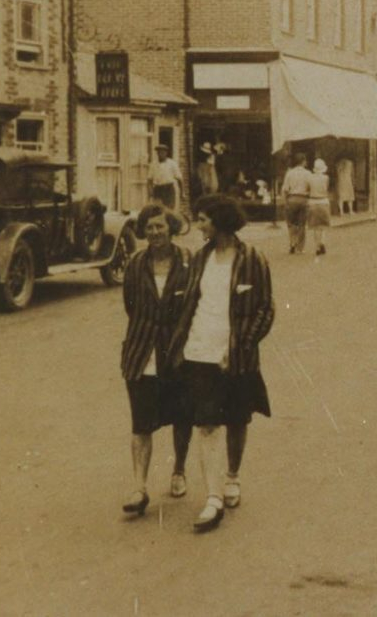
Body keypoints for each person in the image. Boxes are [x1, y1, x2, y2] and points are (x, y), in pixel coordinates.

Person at [168, 195, 274, 532]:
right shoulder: (200, 258)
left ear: (220, 222)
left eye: (203, 220)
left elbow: (265, 309)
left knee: (238, 419)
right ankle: (213, 497)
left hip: (235, 354)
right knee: (206, 423)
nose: (199, 226)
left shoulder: (252, 259)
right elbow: (189, 303)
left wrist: (240, 344)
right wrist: (181, 342)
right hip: (199, 349)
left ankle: (232, 476)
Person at [120, 203, 192, 516]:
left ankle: (178, 469)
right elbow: (131, 305)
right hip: (142, 351)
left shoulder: (187, 262)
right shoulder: (136, 264)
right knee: (141, 421)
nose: (154, 233)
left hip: (177, 351)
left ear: (171, 229)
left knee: (182, 415)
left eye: (160, 227)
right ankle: (139, 487)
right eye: (149, 228)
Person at [280, 154, 312, 254]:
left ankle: (292, 243)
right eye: (305, 161)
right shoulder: (308, 173)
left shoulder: (289, 173)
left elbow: (285, 188)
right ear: (303, 161)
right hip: (303, 199)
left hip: (292, 198)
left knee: (291, 224)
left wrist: (284, 201)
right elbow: (311, 187)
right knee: (302, 224)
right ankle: (300, 248)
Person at [148, 144, 183, 212]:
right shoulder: (153, 164)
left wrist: (182, 192)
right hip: (158, 189)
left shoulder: (172, 164)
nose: (160, 154)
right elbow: (149, 180)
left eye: (162, 152)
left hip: (168, 189)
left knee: (169, 209)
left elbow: (179, 179)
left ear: (166, 153)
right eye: (158, 152)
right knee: (157, 209)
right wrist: (151, 192)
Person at [308, 158, 332, 255]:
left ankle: (317, 246)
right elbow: (326, 188)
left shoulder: (310, 178)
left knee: (315, 227)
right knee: (323, 226)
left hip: (313, 202)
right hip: (323, 201)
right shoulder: (326, 178)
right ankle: (322, 242)